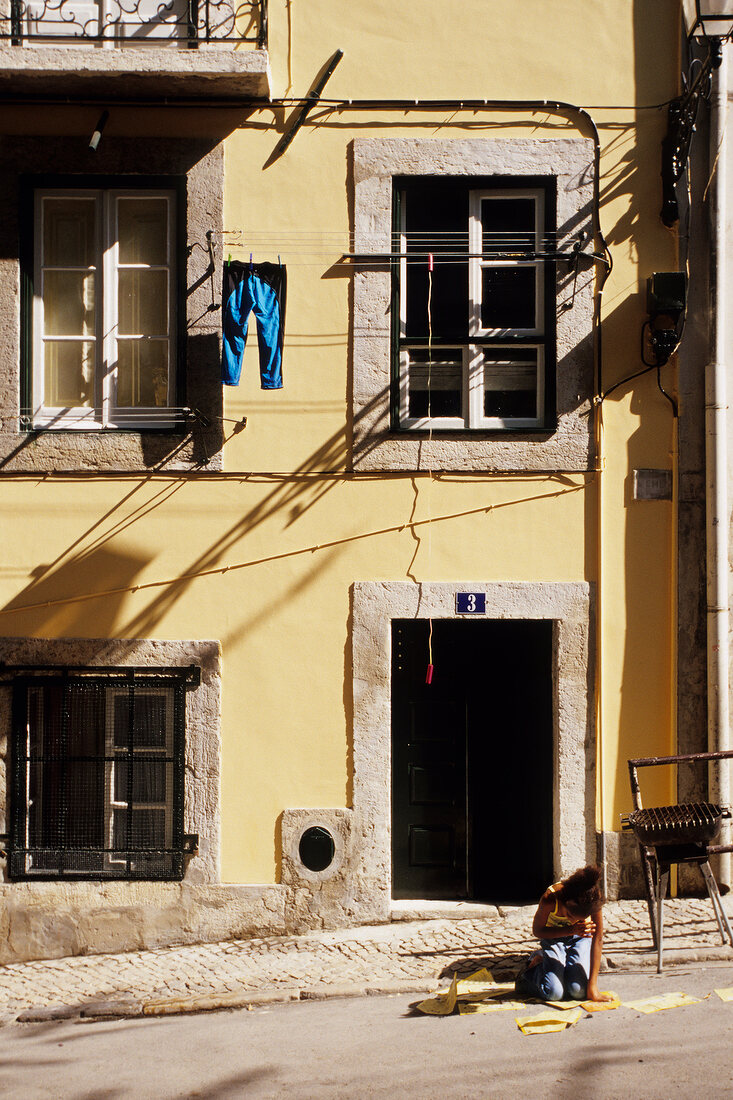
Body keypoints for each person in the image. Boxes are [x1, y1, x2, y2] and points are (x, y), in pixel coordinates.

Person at [515, 864, 614, 1003]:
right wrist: (570, 930)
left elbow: (597, 939)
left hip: (580, 939)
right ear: (566, 901)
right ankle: (531, 970)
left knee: (578, 992)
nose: (572, 920)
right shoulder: (551, 897)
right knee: (554, 993)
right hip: (554, 939)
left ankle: (556, 970)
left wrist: (593, 987)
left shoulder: (593, 899)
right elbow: (537, 931)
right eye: (569, 914)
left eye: (578, 919)